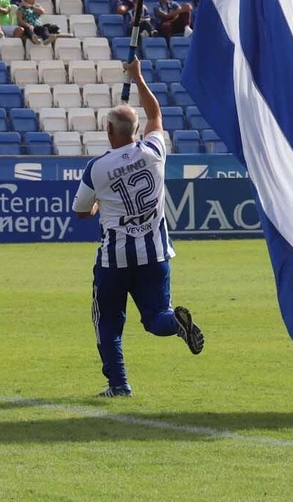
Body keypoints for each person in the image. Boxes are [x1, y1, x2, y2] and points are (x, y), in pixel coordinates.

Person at [74, 57, 204, 398]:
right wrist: (138, 77)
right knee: (155, 317)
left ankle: (118, 385)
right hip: (155, 253)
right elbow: (156, 115)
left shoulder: (97, 168)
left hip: (114, 260)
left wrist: (103, 202)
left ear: (108, 132)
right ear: (135, 131)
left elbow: (81, 211)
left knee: (108, 322)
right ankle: (176, 324)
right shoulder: (154, 151)